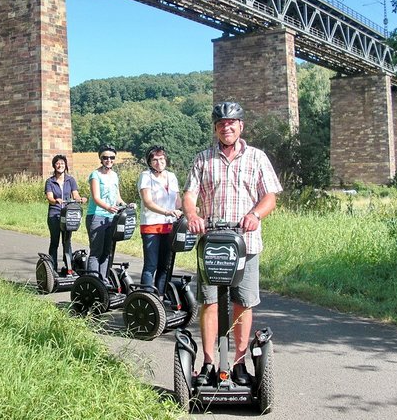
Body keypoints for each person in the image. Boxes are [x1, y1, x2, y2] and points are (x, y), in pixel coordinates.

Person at [182, 102, 282, 386]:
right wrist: (192, 215)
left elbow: (270, 197)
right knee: (210, 302)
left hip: (246, 243)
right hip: (212, 243)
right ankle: (209, 363)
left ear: (241, 126)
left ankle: (238, 363)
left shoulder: (257, 158)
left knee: (243, 303)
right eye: (221, 123)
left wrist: (255, 214)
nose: (226, 127)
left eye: (232, 122)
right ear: (216, 128)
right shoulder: (203, 159)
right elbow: (189, 194)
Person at [137, 145, 182, 297]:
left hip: (169, 226)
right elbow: (148, 202)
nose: (159, 162)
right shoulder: (146, 176)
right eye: (154, 159)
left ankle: (160, 297)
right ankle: (147, 297)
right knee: (151, 264)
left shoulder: (171, 177)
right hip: (151, 226)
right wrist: (167, 212)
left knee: (165, 265)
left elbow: (177, 201)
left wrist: (189, 209)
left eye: (161, 158)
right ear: (149, 162)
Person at [86, 144, 129, 283]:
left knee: (107, 251)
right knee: (96, 251)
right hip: (97, 215)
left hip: (111, 218)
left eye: (111, 157)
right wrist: (108, 207)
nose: (108, 160)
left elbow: (117, 197)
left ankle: (103, 280)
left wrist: (125, 205)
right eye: (105, 157)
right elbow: (96, 198)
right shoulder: (95, 175)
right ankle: (93, 282)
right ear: (100, 158)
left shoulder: (115, 175)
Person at [45, 154, 86, 274]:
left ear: (65, 165)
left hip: (67, 214)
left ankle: (69, 267)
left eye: (62, 163)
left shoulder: (70, 180)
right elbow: (49, 197)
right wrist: (55, 200)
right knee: (55, 241)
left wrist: (80, 199)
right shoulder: (50, 181)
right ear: (54, 166)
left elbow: (75, 194)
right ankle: (52, 269)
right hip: (55, 214)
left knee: (67, 241)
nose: (60, 165)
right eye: (57, 163)